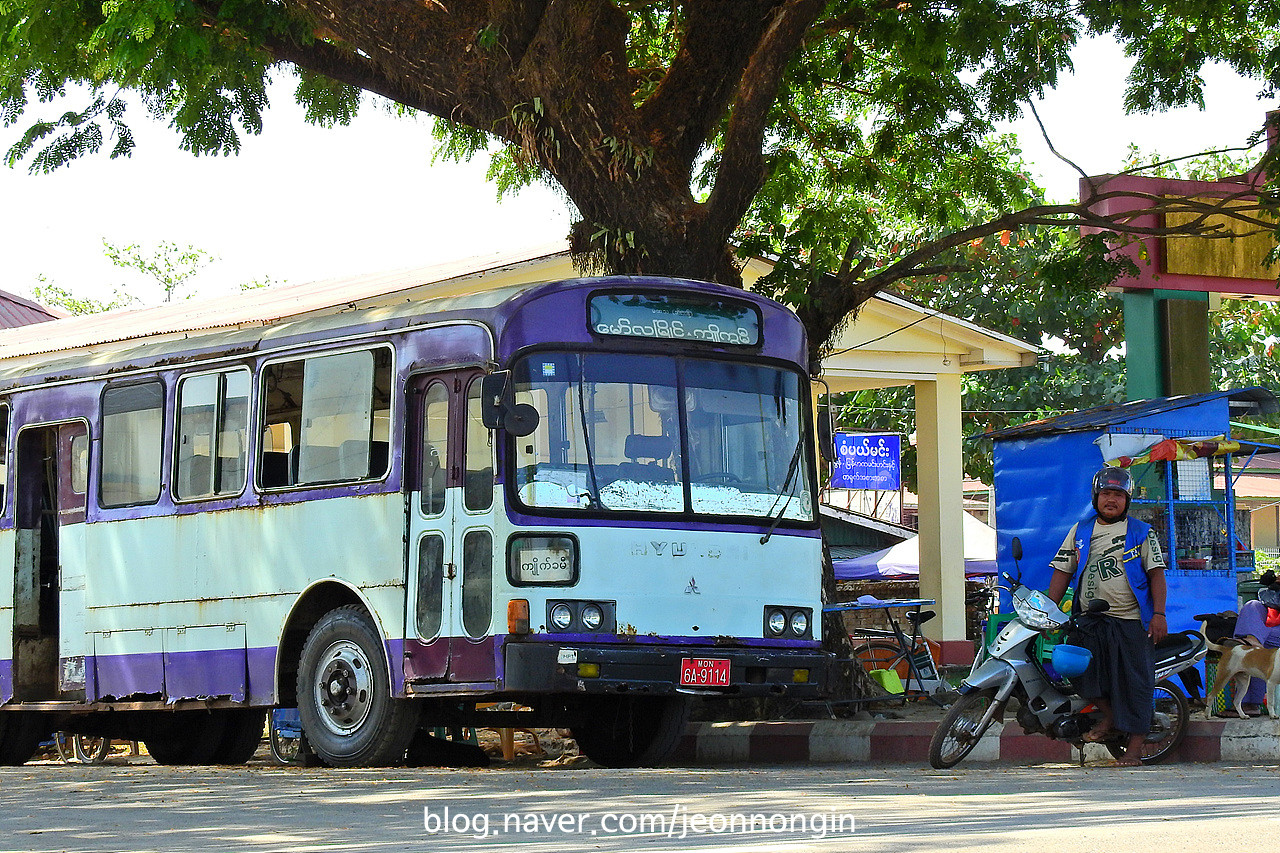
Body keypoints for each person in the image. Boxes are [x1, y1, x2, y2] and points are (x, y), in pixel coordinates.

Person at [1047, 466, 1168, 767]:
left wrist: (1160, 614)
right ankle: (1110, 716)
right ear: (1096, 498)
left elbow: (1156, 575)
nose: (1111, 500)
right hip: (1090, 621)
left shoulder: (1142, 533)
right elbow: (1063, 571)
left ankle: (1135, 751)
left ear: (1127, 500)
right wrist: (1047, 612)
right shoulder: (1080, 531)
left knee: (1135, 684)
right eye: (1106, 494)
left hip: (1132, 622)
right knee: (1076, 671)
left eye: (1117, 494)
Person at [1230, 571, 1280, 716]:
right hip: (1272, 626)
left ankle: (1253, 644)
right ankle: (1252, 641)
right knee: (1252, 605)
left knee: (1261, 643)